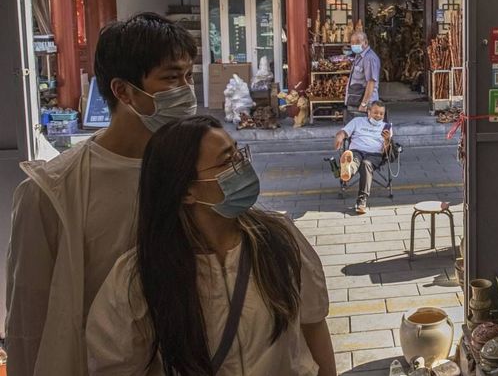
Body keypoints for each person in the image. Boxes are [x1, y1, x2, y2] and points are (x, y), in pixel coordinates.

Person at [6, 12, 198, 376]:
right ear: (122, 90)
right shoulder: (52, 192)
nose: (186, 91)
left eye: (189, 77)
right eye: (172, 78)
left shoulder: (195, 169)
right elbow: (27, 321)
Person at [86, 116, 335, 376]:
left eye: (239, 153)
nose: (242, 165)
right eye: (227, 161)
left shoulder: (280, 239)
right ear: (186, 191)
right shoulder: (138, 279)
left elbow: (314, 324)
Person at [333, 101, 393, 214]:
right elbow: (343, 132)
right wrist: (339, 137)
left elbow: (386, 149)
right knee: (355, 159)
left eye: (381, 113)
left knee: (366, 164)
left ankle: (361, 199)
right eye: (375, 112)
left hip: (375, 155)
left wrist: (387, 140)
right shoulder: (357, 121)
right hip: (357, 150)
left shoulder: (387, 127)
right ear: (368, 112)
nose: (379, 116)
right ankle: (348, 170)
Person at [345, 30, 382, 121]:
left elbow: (371, 83)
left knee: (363, 132)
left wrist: (364, 104)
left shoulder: (369, 58)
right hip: (355, 100)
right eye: (352, 42)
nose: (354, 45)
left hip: (364, 105)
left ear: (365, 42)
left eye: (357, 42)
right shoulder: (359, 56)